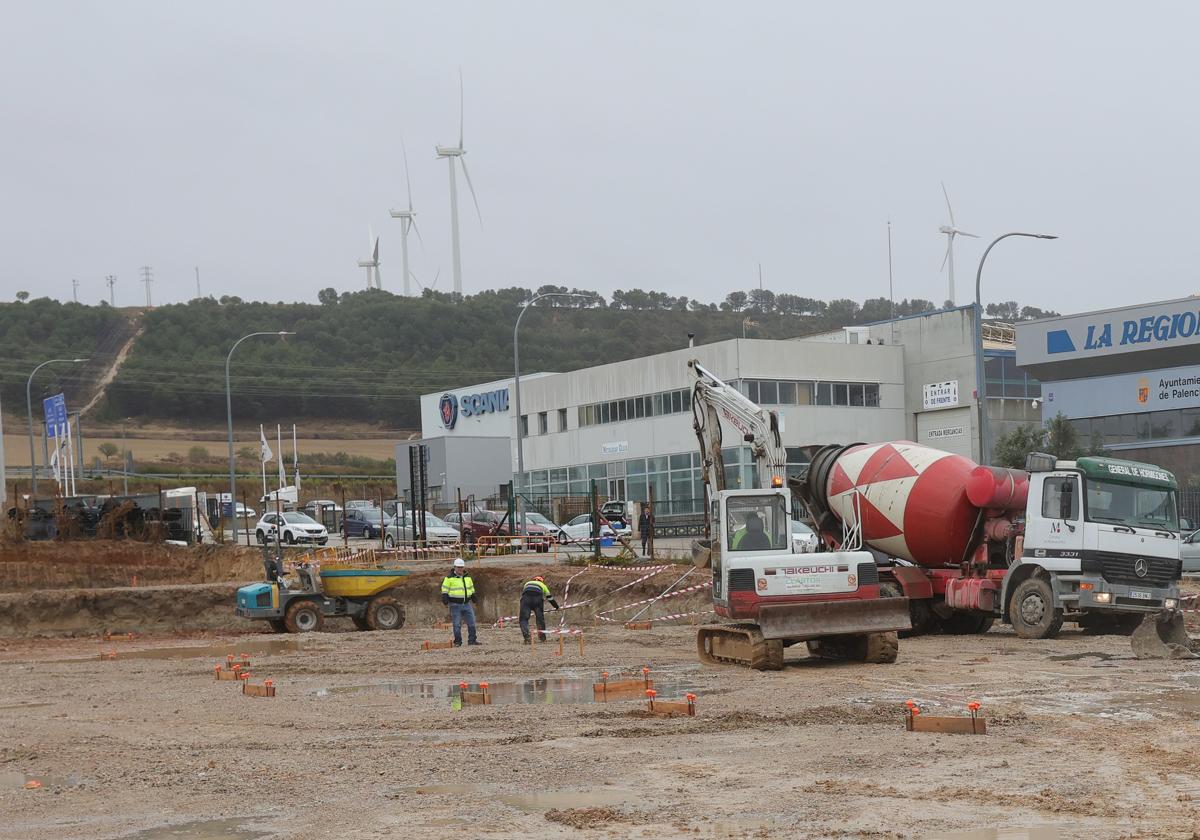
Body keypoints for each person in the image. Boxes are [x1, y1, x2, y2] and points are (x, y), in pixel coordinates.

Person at [441, 558, 481, 646]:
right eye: (458, 567)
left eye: (461, 567)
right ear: (454, 567)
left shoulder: (467, 578)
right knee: (457, 624)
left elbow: (471, 588)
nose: (460, 569)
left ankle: (472, 640)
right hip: (455, 605)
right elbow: (445, 589)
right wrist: (445, 597)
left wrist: (473, 596)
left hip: (467, 604)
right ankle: (458, 642)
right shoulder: (449, 578)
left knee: (472, 623)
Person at [519, 575, 559, 645]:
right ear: (541, 581)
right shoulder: (543, 585)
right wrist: (556, 607)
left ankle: (527, 638)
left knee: (523, 619)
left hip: (526, 600)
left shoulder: (527, 583)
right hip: (537, 600)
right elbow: (550, 598)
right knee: (540, 619)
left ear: (534, 580)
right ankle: (542, 638)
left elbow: (524, 593)